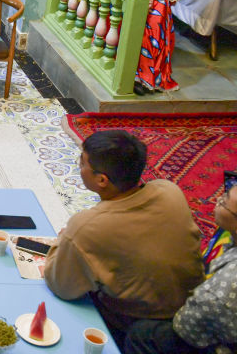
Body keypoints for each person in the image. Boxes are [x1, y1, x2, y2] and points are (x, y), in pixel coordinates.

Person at [44, 130, 203, 349]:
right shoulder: (169, 190)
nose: (79, 168)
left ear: (102, 179)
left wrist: (62, 240)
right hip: (191, 311)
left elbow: (60, 285)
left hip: (140, 327)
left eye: (82, 164)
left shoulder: (86, 226)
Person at [123, 179, 237, 354]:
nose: (218, 199)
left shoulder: (219, 293)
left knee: (142, 334)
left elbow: (184, 328)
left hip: (211, 340)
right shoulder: (228, 237)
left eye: (224, 202)